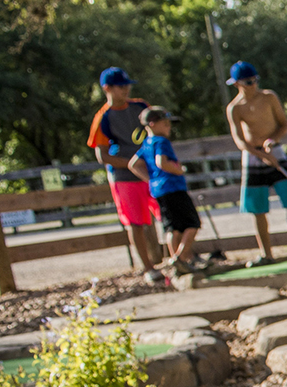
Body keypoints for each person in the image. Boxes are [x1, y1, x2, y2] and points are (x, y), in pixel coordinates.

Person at [85, 67, 164, 284]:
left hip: (150, 173)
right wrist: (131, 165)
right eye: (121, 86)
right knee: (135, 223)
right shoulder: (103, 118)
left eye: (127, 85)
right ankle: (149, 268)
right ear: (107, 88)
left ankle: (180, 257)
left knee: (166, 212)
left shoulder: (140, 107)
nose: (126, 89)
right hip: (124, 177)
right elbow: (101, 155)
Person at [224, 61, 287, 264]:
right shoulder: (234, 108)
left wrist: (272, 142)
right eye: (248, 82)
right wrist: (260, 154)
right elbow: (239, 140)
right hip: (252, 156)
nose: (253, 85)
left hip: (274, 151)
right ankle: (267, 254)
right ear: (237, 84)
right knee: (257, 208)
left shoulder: (269, 97)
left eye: (255, 80)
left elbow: (283, 124)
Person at [126, 107, 202, 273]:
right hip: (174, 188)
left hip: (159, 191)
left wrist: (152, 180)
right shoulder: (161, 142)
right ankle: (179, 258)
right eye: (166, 123)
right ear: (152, 124)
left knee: (172, 227)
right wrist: (179, 169)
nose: (169, 127)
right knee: (193, 223)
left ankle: (177, 261)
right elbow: (162, 162)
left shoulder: (146, 143)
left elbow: (133, 165)